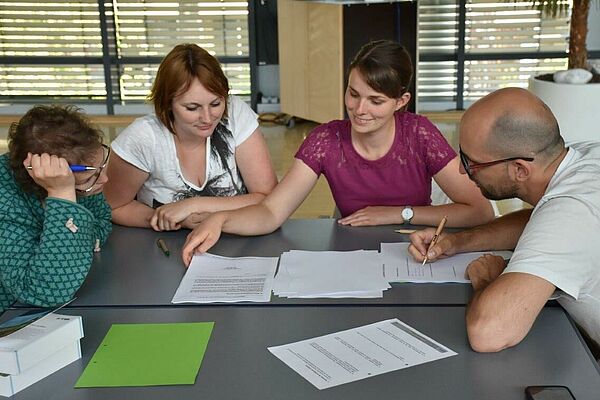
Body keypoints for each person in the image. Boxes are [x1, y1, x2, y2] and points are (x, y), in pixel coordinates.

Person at [180, 40, 494, 263]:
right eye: (353, 93)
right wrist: (220, 219)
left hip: (414, 246)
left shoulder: (420, 133)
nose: (359, 110)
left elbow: (480, 211)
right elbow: (271, 212)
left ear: (401, 101)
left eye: (376, 100)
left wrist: (399, 213)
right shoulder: (325, 140)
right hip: (352, 252)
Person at [407, 87, 600, 355]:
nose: (462, 170)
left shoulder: (572, 211)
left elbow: (489, 333)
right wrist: (457, 242)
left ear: (520, 169)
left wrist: (487, 280)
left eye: (471, 163)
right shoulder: (584, 157)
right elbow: (540, 219)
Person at [104, 43, 277, 231]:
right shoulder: (143, 137)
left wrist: (192, 205)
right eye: (192, 108)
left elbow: (269, 198)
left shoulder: (235, 112)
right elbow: (114, 206)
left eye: (216, 103)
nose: (207, 118)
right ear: (167, 103)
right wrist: (164, 219)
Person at [0, 105, 112, 312]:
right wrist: (62, 194)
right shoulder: (5, 202)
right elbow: (43, 291)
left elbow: (103, 221)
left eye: (102, 168)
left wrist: (74, 240)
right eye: (90, 177)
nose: (104, 179)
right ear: (41, 179)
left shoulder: (84, 180)